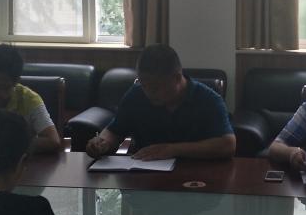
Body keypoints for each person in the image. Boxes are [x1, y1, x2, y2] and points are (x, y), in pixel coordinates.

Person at [86, 44, 235, 160]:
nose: (148, 92)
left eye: (155, 87)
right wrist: (102, 142)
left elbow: (227, 145)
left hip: (195, 176)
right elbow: (115, 130)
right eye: (143, 84)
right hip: (144, 175)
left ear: (177, 78)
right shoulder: (136, 94)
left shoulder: (208, 100)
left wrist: (172, 150)